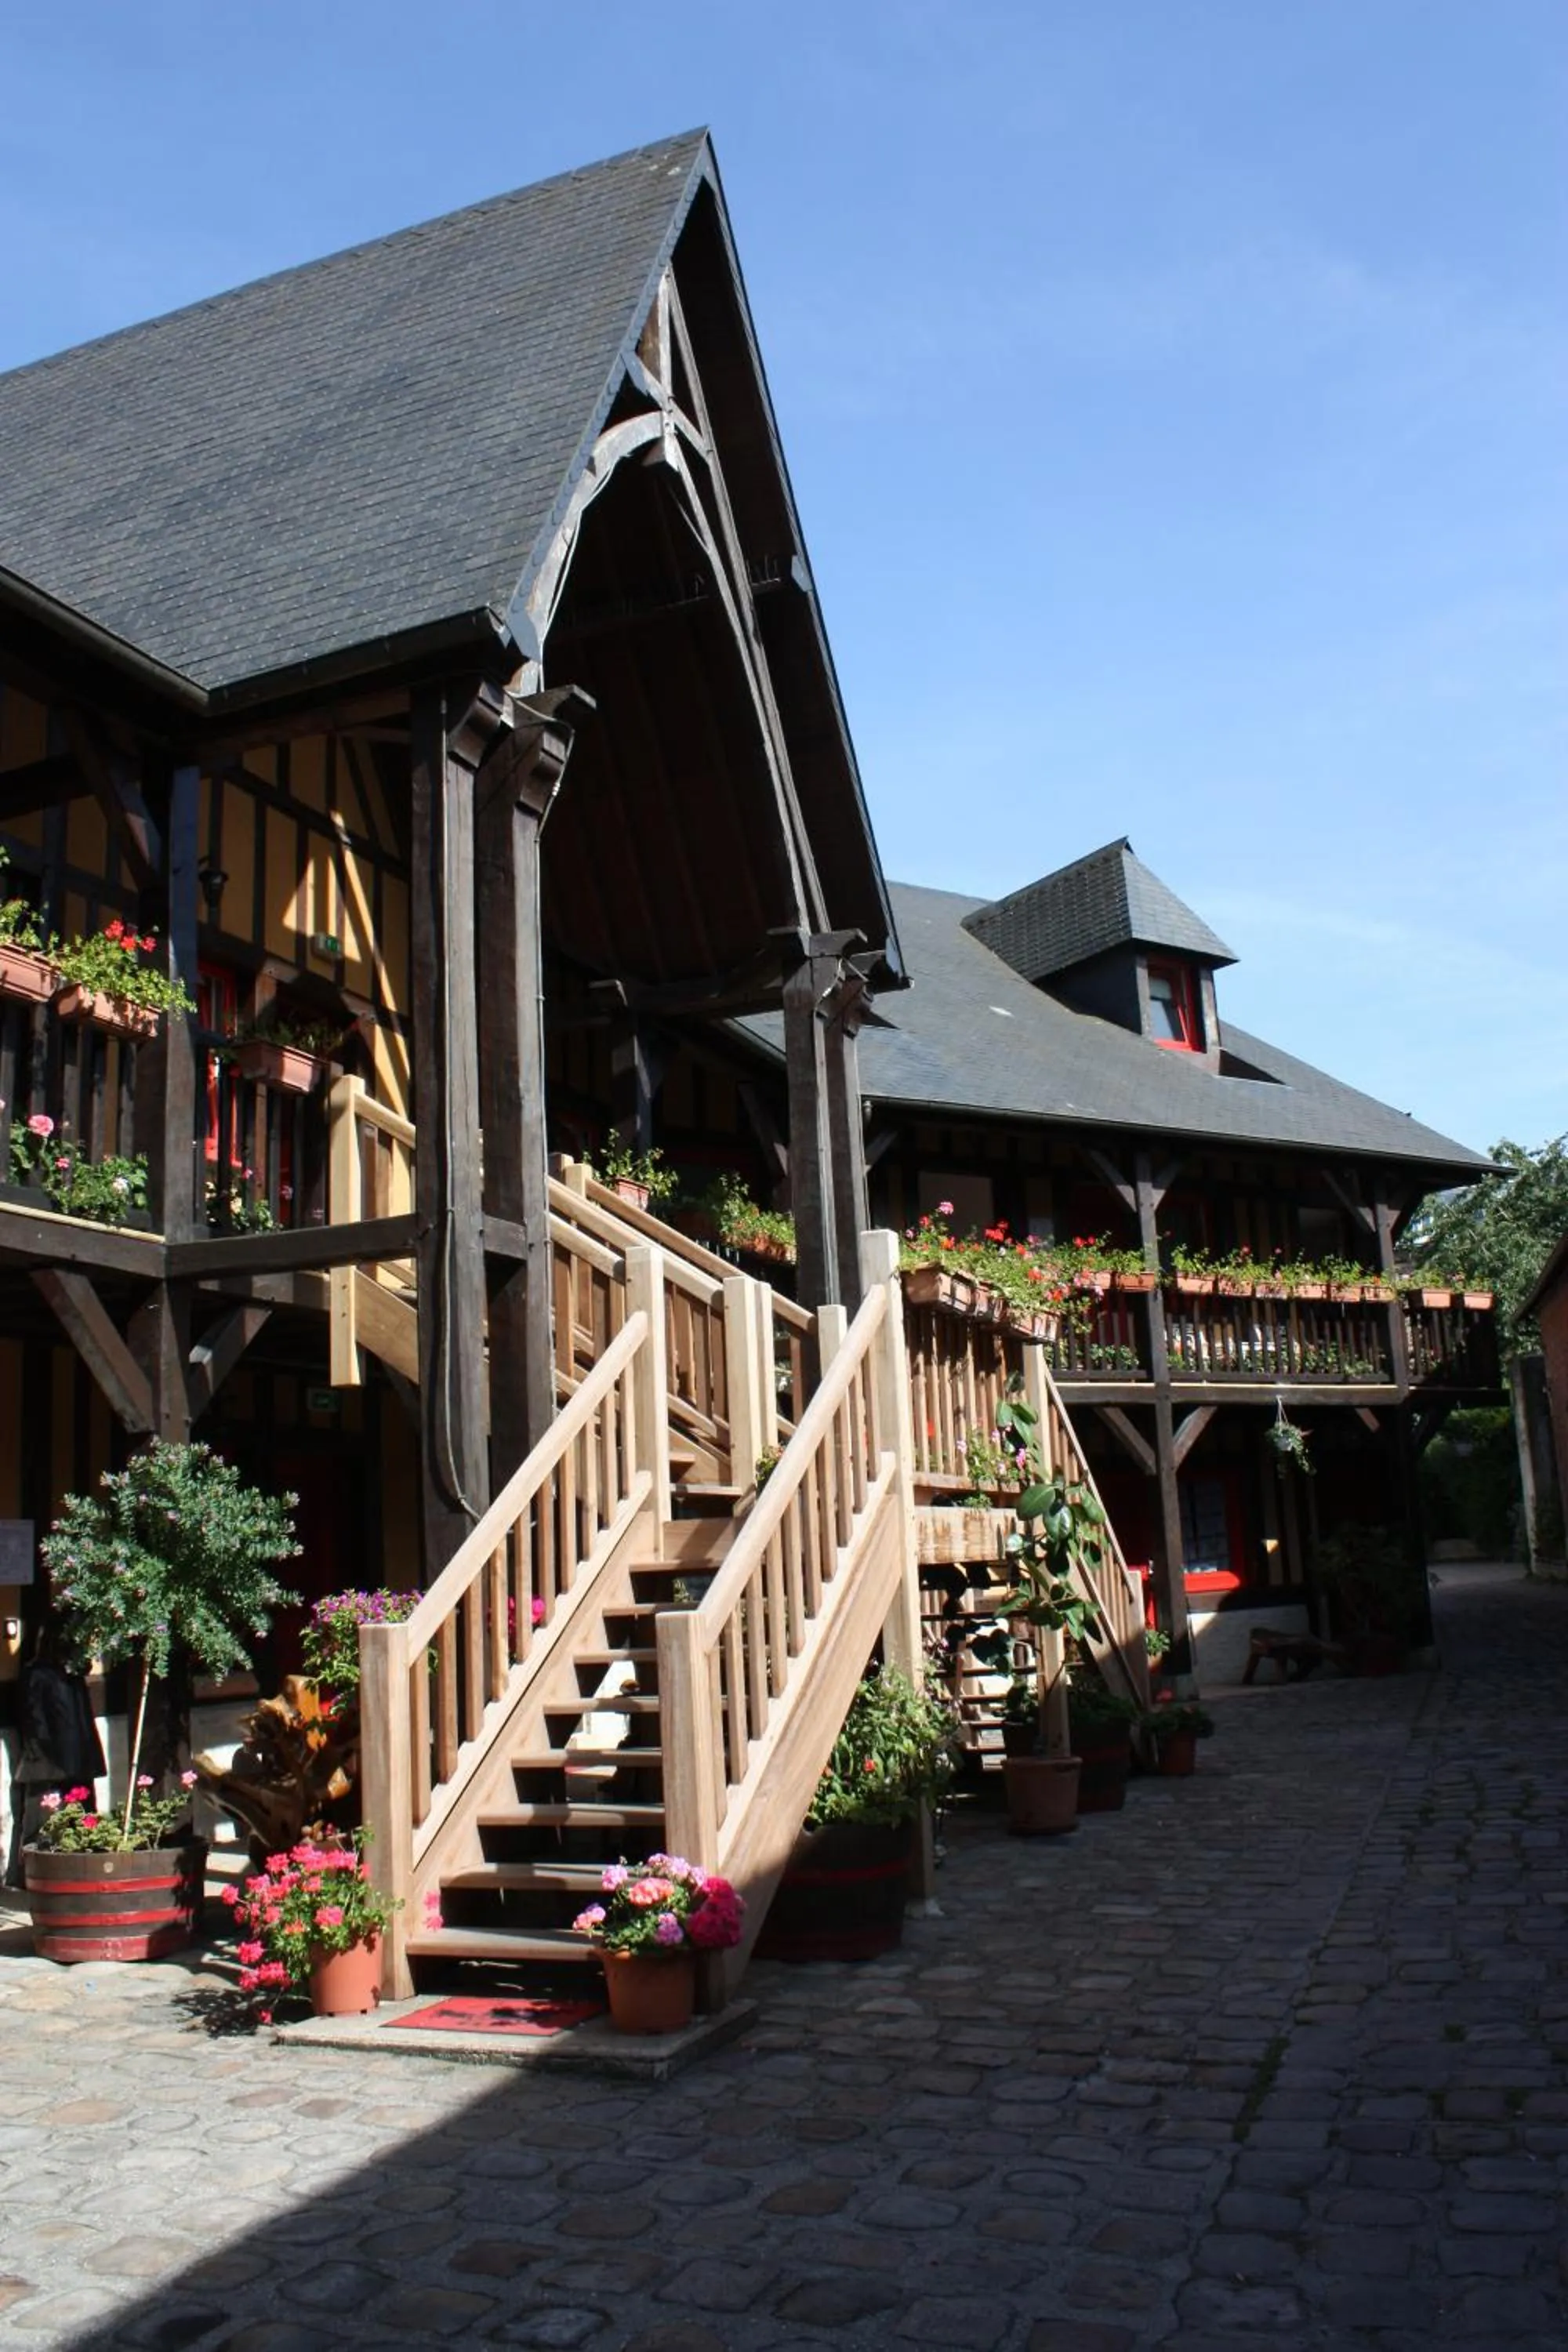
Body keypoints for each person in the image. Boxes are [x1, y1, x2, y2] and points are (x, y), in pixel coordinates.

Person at [4, 1628, 107, 1885]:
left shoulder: (59, 1673)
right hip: (59, 1758)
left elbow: (37, 1718)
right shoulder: (50, 1673)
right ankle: (43, 1875)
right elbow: (36, 1718)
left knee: (58, 1819)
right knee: (49, 1820)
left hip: (59, 1758)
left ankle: (60, 1873)